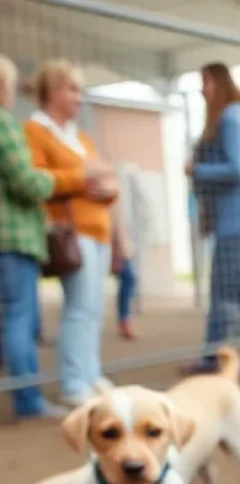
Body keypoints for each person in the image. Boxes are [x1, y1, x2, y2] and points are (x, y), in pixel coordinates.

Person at [25, 59, 118, 408]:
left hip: (99, 230)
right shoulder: (36, 131)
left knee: (93, 308)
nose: (79, 97)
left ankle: (91, 374)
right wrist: (82, 178)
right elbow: (40, 181)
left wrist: (104, 186)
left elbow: (108, 182)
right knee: (78, 308)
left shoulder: (80, 137)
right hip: (71, 231)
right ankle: (73, 381)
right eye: (73, 89)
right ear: (53, 91)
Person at [0, 54, 79, 419]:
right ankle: (27, 398)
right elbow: (25, 182)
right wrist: (55, 180)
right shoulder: (4, 124)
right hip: (12, 238)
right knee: (20, 317)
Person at [185, 62, 240, 378]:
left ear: (218, 82)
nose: (202, 90)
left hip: (238, 223)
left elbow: (237, 167)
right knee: (221, 292)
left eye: (205, 82)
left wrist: (197, 170)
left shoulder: (233, 117)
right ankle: (212, 355)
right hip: (232, 223)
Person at [111, 161, 148, 341]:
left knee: (128, 278)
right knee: (128, 278)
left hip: (116, 242)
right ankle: (124, 320)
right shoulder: (112, 188)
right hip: (108, 242)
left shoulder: (120, 193)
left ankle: (125, 320)